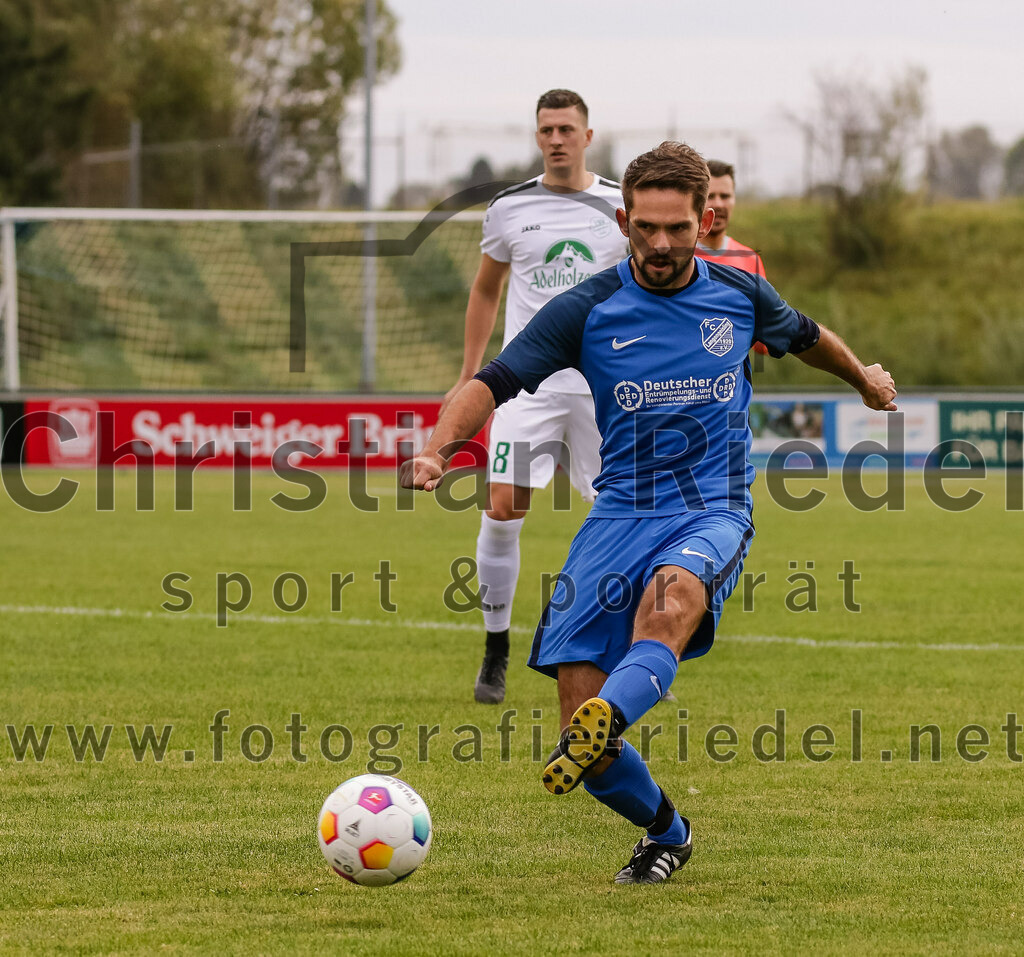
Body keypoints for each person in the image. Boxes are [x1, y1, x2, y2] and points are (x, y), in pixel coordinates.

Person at [404, 142, 897, 884]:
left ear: (705, 219)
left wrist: (864, 380)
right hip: (619, 511)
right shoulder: (588, 308)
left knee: (671, 601)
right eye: (646, 229)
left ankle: (610, 714)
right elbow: (494, 381)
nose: (661, 245)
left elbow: (805, 335)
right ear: (624, 219)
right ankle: (666, 828)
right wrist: (441, 447)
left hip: (710, 505)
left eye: (678, 228)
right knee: (581, 722)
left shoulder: (739, 294)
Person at [442, 89, 625, 704]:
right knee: (502, 505)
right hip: (529, 385)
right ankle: (496, 646)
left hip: (604, 387)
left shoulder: (619, 208)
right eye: (546, 128)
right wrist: (472, 373)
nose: (556, 138)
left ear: (587, 135)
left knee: (621, 516)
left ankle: (622, 649)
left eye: (566, 128)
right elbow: (486, 291)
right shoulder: (509, 208)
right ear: (537, 136)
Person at [697, 159, 770, 355]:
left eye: (725, 196)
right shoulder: (674, 258)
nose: (718, 204)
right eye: (710, 196)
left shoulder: (749, 259)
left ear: (734, 199)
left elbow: (764, 342)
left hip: (731, 383)